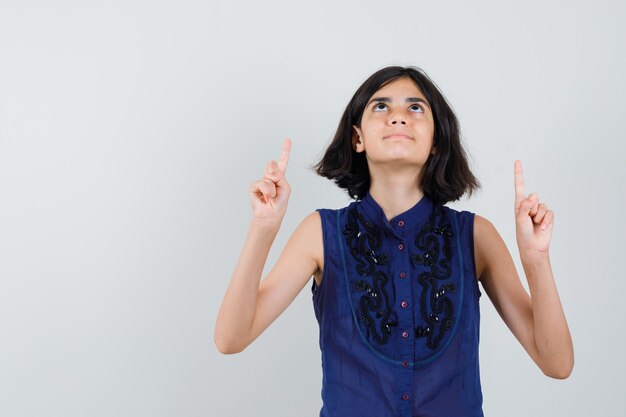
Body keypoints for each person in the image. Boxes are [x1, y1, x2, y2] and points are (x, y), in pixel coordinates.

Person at [214, 66, 574, 417]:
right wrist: (264, 228)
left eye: (415, 107)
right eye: (381, 106)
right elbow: (231, 338)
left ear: (436, 142)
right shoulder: (320, 233)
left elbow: (556, 363)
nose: (398, 117)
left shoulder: (477, 236)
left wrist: (536, 258)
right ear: (358, 138)